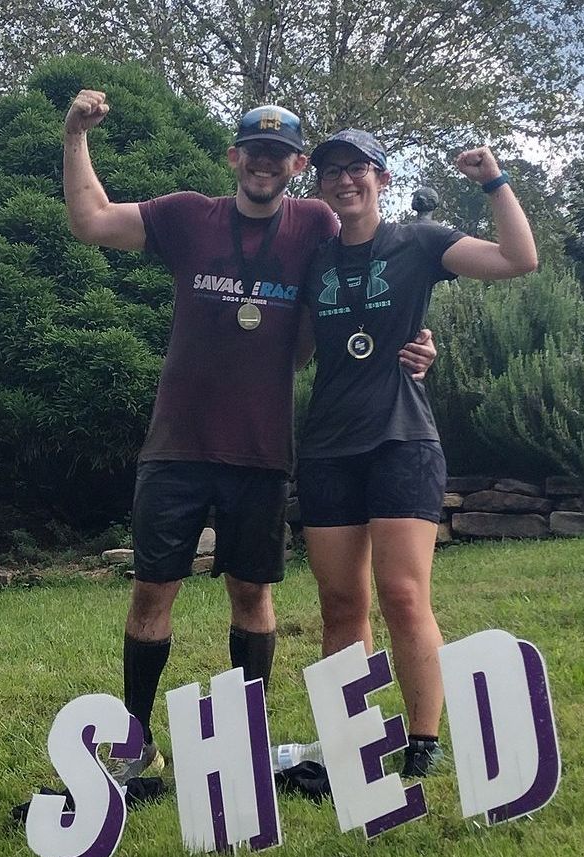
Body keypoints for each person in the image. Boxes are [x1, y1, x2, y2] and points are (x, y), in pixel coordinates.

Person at [62, 91, 435, 782]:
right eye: (253, 151)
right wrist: (75, 134)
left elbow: (375, 278)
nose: (264, 163)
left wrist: (413, 342)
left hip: (262, 448)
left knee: (252, 596)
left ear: (296, 164)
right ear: (234, 156)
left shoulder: (319, 222)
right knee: (151, 592)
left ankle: (249, 745)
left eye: (279, 154)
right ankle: (135, 744)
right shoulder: (185, 215)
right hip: (176, 443)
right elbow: (90, 221)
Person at [297, 129, 538, 777]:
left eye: (358, 168)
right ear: (319, 186)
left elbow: (519, 260)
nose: (344, 179)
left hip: (402, 440)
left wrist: (494, 180)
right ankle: (350, 747)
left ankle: (423, 743)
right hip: (326, 447)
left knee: (403, 594)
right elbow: (290, 349)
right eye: (331, 172)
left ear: (383, 178)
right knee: (341, 605)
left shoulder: (419, 242)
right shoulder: (313, 260)